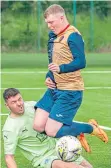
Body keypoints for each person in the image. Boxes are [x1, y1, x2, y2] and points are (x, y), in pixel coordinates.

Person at [33, 4, 108, 152]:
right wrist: (49, 76)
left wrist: (61, 69)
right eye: (47, 23)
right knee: (38, 126)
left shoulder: (73, 36)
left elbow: (81, 62)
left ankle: (89, 128)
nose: (49, 26)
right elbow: (53, 60)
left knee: (52, 131)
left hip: (70, 91)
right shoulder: (53, 36)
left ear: (61, 18)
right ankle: (74, 131)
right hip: (54, 89)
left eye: (51, 22)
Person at [2, 88, 93, 168]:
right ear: (7, 105)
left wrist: (75, 132)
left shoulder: (32, 106)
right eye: (13, 102)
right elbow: (9, 157)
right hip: (43, 158)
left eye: (19, 99)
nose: (19, 104)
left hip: (60, 148)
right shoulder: (10, 129)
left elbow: (54, 122)